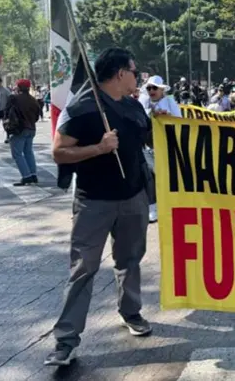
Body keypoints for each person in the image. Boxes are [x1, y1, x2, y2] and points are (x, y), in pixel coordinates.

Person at [45, 48, 152, 366]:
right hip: (93, 202)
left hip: (134, 197)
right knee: (83, 269)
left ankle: (131, 313)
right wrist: (99, 148)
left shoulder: (134, 108)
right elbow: (59, 152)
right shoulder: (82, 108)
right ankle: (65, 339)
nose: (138, 76)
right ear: (120, 73)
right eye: (135, 70)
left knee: (130, 260)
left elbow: (149, 140)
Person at [138, 75, 181, 223]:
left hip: (166, 146)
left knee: (166, 177)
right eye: (149, 88)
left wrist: (167, 116)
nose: (151, 91)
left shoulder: (169, 101)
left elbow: (179, 120)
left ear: (161, 89)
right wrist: (152, 114)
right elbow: (140, 118)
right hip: (147, 145)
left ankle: (170, 205)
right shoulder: (143, 101)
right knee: (150, 176)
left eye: (154, 88)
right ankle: (153, 207)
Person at [7, 79, 41, 186]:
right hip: (31, 129)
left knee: (17, 154)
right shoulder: (33, 100)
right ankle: (33, 174)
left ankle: (26, 176)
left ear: (18, 88)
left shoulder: (14, 99)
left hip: (19, 129)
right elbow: (36, 116)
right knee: (28, 152)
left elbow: (8, 113)